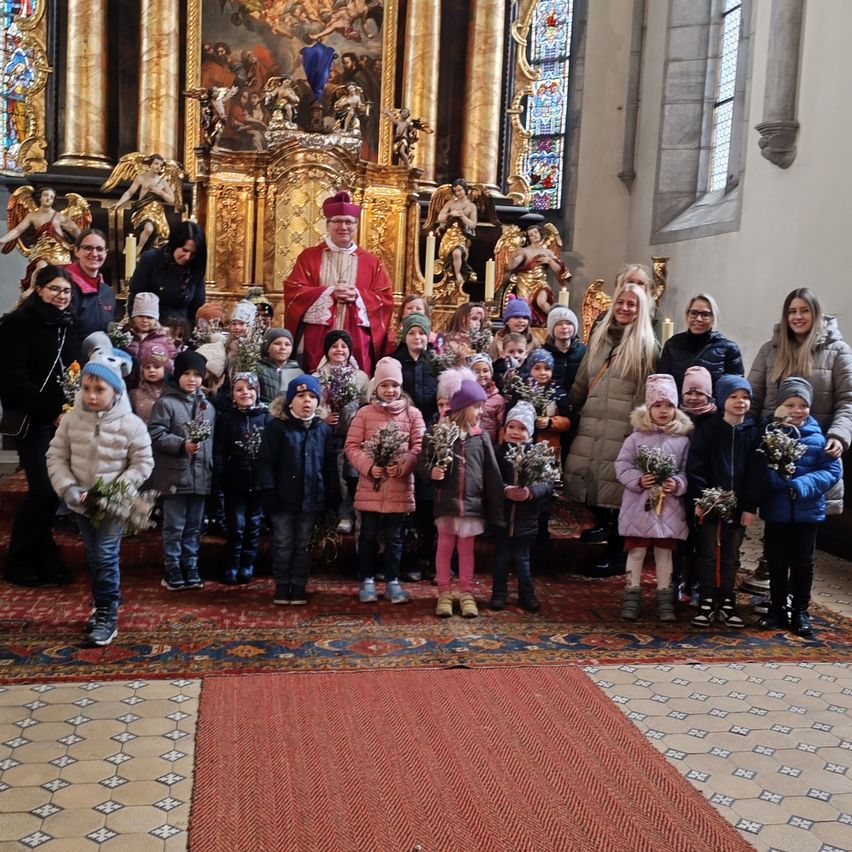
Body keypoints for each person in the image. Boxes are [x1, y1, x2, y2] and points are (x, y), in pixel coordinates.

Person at [45, 349, 153, 646]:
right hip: (80, 501)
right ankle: (103, 605)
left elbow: (142, 463)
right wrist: (68, 488)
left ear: (116, 392)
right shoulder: (71, 421)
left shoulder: (131, 425)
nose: (91, 396)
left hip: (113, 504)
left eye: (99, 390)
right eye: (86, 389)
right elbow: (56, 456)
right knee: (94, 556)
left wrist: (115, 489)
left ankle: (107, 614)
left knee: (105, 555)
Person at [564, 283, 659, 574]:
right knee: (582, 480)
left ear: (640, 310)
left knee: (619, 491)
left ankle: (618, 552)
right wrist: (567, 408)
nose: (625, 308)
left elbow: (646, 394)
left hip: (622, 430)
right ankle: (606, 529)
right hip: (592, 423)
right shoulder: (600, 337)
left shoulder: (646, 346)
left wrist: (639, 433)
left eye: (632, 304)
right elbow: (583, 379)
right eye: (621, 302)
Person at [0, 266, 80, 587]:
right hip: (32, 419)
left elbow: (73, 372)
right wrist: (50, 411)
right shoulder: (16, 323)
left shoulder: (68, 324)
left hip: (60, 419)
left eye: (66, 291)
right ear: (39, 289)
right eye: (55, 289)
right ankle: (17, 559)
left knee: (53, 491)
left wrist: (69, 409)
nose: (61, 296)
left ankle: (44, 557)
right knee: (44, 491)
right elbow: (12, 378)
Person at [748, 288, 852, 502]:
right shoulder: (770, 350)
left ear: (816, 314)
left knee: (811, 524)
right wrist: (747, 438)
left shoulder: (838, 351)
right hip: (773, 452)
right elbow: (754, 398)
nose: (797, 316)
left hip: (817, 451)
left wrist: (839, 435)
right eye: (792, 311)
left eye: (804, 310)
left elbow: (848, 400)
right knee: (775, 519)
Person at [757, 378, 842, 638]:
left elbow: (831, 471)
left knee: (803, 563)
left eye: (803, 405)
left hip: (807, 513)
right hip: (777, 512)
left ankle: (800, 610)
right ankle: (777, 607)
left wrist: (801, 484)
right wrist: (776, 479)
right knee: (777, 560)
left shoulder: (820, 437)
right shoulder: (771, 433)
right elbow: (760, 466)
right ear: (780, 406)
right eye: (790, 404)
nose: (797, 410)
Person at [420, 378, 504, 618]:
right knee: (445, 546)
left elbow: (492, 475)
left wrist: (495, 510)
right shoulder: (439, 433)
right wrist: (431, 471)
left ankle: (466, 592)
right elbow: (423, 461)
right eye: (476, 407)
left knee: (467, 550)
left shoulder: (481, 437)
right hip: (446, 503)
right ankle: (444, 593)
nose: (481, 412)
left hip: (472, 504)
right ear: (462, 407)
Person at [283, 191, 394, 374]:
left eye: (349, 222)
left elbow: (385, 299)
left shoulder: (371, 262)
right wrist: (328, 293)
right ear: (327, 225)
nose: (343, 226)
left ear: (357, 226)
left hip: (356, 337)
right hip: (318, 335)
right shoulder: (309, 256)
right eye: (337, 221)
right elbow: (294, 292)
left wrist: (358, 296)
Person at [345, 357, 425, 605]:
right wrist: (369, 467)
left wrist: (402, 467)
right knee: (368, 534)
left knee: (394, 537)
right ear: (376, 387)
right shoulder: (365, 413)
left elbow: (419, 447)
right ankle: (367, 579)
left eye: (394, 386)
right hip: (371, 485)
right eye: (384, 386)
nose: (390, 391)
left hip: (398, 487)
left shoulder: (413, 414)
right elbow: (351, 446)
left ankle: (393, 581)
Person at [687, 375, 765, 629]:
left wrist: (750, 506)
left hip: (739, 504)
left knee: (731, 554)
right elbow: (696, 466)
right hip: (711, 502)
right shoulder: (709, 429)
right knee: (708, 552)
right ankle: (707, 600)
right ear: (721, 399)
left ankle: (727, 601)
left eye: (745, 397)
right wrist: (701, 498)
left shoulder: (753, 432)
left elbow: (756, 472)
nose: (740, 402)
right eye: (733, 397)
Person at [614, 374, 692, 621]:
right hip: (639, 507)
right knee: (636, 552)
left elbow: (686, 471)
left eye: (669, 405)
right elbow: (622, 465)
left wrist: (677, 483)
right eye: (657, 405)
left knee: (664, 553)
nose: (663, 410)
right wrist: (638, 479)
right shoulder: (636, 438)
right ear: (648, 408)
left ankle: (664, 599)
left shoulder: (682, 440)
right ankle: (631, 597)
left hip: (667, 508)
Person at [258, 375, 340, 605]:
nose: (307, 401)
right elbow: (266, 461)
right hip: (283, 499)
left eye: (313, 397)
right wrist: (269, 492)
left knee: (303, 544)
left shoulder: (322, 430)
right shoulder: (276, 427)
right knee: (284, 543)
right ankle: (282, 585)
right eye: (301, 396)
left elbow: (329, 463)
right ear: (290, 401)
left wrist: (332, 494)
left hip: (311, 499)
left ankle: (299, 584)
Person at [148, 350, 216, 592]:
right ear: (177, 375)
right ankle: (173, 566)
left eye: (197, 375)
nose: (191, 379)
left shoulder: (207, 406)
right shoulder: (166, 404)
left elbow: (210, 442)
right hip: (175, 476)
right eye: (186, 373)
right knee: (174, 526)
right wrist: (181, 445)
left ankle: (191, 565)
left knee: (194, 526)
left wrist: (209, 468)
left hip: (200, 477)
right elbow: (156, 435)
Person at [490, 401, 553, 612]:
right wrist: (505, 490)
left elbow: (547, 483)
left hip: (526, 519)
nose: (516, 432)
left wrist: (530, 492)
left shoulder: (538, 455)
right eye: (511, 427)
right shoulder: (498, 453)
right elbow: (489, 481)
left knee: (522, 557)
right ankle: (499, 593)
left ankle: (526, 594)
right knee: (500, 557)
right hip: (501, 517)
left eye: (522, 428)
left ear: (531, 432)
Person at [213, 372, 271, 585]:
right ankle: (232, 563)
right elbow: (219, 448)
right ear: (232, 394)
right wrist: (219, 474)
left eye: (249, 388)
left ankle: (248, 563)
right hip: (234, 480)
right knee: (236, 525)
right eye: (239, 389)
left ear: (257, 391)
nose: (245, 393)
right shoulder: (227, 418)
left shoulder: (266, 418)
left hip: (258, 482)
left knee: (254, 524)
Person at [313, 329, 370, 534]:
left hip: (352, 436)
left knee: (350, 476)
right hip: (326, 435)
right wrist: (324, 415)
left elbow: (366, 403)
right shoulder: (318, 376)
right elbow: (311, 404)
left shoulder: (360, 376)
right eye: (334, 346)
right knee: (333, 477)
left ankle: (347, 514)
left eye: (343, 346)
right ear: (327, 350)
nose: (339, 350)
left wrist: (359, 419)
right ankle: (329, 515)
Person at [657, 293, 744, 396]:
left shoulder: (729, 349)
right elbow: (662, 383)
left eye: (705, 314)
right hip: (678, 410)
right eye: (693, 313)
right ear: (687, 315)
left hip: (714, 410)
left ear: (713, 318)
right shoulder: (672, 345)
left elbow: (734, 389)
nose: (698, 318)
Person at [129, 221, 208, 328]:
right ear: (175, 243)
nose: (187, 257)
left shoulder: (195, 267)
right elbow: (136, 299)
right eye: (185, 250)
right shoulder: (151, 260)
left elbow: (197, 308)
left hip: (182, 333)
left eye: (193, 253)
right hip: (151, 330)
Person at [0, 186, 82, 288]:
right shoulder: (32, 215)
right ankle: (32, 289)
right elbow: (18, 230)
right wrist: (3, 240)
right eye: (46, 195)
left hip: (59, 252)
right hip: (42, 250)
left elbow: (75, 229)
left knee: (62, 276)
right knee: (41, 267)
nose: (48, 198)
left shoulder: (59, 216)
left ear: (53, 200)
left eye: (51, 197)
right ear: (40, 198)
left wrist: (82, 239)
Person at [504, 222, 570, 326]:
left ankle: (556, 319)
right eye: (530, 235)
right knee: (526, 307)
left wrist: (549, 261)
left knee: (542, 302)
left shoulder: (547, 252)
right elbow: (511, 267)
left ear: (540, 233)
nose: (534, 235)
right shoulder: (524, 251)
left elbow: (558, 269)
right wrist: (512, 258)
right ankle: (528, 325)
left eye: (535, 232)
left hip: (540, 282)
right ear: (528, 238)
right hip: (525, 282)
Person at [109, 154, 177, 253]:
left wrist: (160, 192)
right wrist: (119, 203)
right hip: (143, 209)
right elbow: (129, 192)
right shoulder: (141, 177)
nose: (158, 166)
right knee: (148, 229)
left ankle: (144, 251)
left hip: (156, 212)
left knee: (160, 234)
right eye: (156, 164)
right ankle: (139, 248)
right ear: (150, 164)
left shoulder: (163, 183)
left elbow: (173, 200)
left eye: (160, 165)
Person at [64, 229, 116, 341]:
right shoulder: (65, 287)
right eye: (87, 248)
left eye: (100, 249)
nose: (94, 254)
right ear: (76, 251)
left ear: (106, 253)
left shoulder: (107, 292)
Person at [390, 312, 438, 425]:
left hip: (430, 421)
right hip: (401, 420)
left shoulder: (437, 362)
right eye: (411, 333)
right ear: (404, 337)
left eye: (422, 333)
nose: (417, 337)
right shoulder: (393, 361)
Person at [123, 292, 177, 389]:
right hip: (127, 385)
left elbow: (172, 362)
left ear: (156, 319)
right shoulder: (126, 336)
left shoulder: (164, 339)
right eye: (141, 316)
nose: (145, 320)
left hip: (153, 388)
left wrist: (162, 360)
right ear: (134, 317)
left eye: (149, 317)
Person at [436, 179, 478, 288]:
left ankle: (458, 273)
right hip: (449, 235)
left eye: (460, 190)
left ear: (465, 190)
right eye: (455, 191)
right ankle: (452, 275)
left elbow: (473, 224)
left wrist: (462, 216)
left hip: (461, 236)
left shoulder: (471, 206)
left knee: (457, 253)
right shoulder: (450, 203)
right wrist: (450, 214)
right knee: (447, 256)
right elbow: (440, 217)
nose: (458, 193)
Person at [544, 306, 586, 396]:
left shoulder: (583, 351)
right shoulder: (544, 353)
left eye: (568, 323)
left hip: (578, 399)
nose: (564, 327)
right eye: (559, 324)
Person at [256, 328, 302, 405]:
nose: (283, 348)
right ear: (267, 347)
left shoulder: (298, 372)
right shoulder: (257, 368)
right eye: (277, 343)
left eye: (287, 344)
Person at [129, 345, 172, 423]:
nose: (151, 370)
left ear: (165, 369)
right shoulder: (134, 395)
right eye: (147, 367)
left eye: (157, 367)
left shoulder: (173, 392)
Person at [468, 354, 505, 445]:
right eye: (476, 372)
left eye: (485, 371)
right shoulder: (467, 396)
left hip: (490, 443)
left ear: (491, 373)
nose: (481, 375)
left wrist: (499, 446)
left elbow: (501, 425)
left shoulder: (498, 399)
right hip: (470, 442)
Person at [490, 297, 535, 362]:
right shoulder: (498, 341)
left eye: (525, 318)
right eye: (516, 317)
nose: (521, 321)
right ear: (507, 321)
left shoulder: (533, 341)